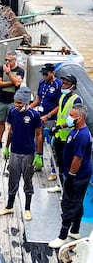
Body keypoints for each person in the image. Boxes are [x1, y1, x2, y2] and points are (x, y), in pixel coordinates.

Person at [0, 87, 43, 221]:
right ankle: (9, 206)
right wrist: (6, 147)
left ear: (26, 103)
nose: (17, 105)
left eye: (20, 103)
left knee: (28, 181)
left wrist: (38, 154)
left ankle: (27, 208)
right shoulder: (12, 111)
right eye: (15, 102)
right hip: (15, 152)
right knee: (12, 180)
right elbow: (11, 130)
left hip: (28, 153)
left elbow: (39, 135)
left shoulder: (34, 115)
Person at [48, 103, 92, 248]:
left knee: (69, 204)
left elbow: (77, 159)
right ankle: (75, 230)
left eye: (71, 116)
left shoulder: (82, 136)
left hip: (77, 177)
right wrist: (58, 128)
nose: (68, 118)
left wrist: (71, 177)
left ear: (78, 119)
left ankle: (63, 236)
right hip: (76, 174)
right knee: (77, 203)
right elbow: (68, 126)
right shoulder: (76, 129)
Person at [47, 75, 82, 193]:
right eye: (63, 83)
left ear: (73, 87)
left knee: (68, 164)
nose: (63, 86)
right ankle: (61, 185)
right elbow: (60, 114)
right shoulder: (62, 97)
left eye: (67, 84)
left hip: (69, 137)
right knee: (60, 163)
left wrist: (60, 126)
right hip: (59, 136)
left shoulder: (76, 100)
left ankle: (67, 190)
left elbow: (75, 119)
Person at [29, 63, 62, 176]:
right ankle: (38, 161)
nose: (43, 76)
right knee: (37, 139)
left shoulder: (58, 85)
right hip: (40, 116)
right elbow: (38, 99)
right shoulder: (41, 83)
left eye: (46, 74)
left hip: (50, 119)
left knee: (51, 143)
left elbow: (59, 105)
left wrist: (48, 115)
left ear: (52, 73)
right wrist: (28, 108)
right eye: (42, 74)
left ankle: (54, 167)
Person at [0, 50, 25, 151]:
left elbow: (17, 83)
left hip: (13, 102)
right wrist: (12, 82)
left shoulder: (20, 71)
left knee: (13, 123)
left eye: (9, 60)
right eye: (6, 59)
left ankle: (11, 142)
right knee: (0, 121)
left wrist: (9, 73)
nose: (7, 62)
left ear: (14, 60)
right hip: (1, 100)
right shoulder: (1, 68)